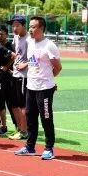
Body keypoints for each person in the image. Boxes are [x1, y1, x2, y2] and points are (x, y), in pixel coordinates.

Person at [14, 16, 62, 160]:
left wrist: (49, 81)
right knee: (30, 116)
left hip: (45, 88)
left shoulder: (49, 46)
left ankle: (49, 148)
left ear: (41, 28)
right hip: (31, 86)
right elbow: (32, 60)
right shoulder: (30, 41)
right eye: (30, 26)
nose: (30, 29)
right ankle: (30, 146)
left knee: (46, 117)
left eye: (33, 27)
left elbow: (58, 67)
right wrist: (25, 65)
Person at [7, 15, 29, 140]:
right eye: (13, 25)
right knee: (15, 104)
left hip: (24, 75)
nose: (14, 28)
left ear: (23, 25)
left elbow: (35, 55)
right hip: (15, 73)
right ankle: (20, 129)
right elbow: (17, 54)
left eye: (17, 25)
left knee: (22, 105)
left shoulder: (29, 39)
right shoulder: (15, 37)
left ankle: (24, 131)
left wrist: (25, 64)